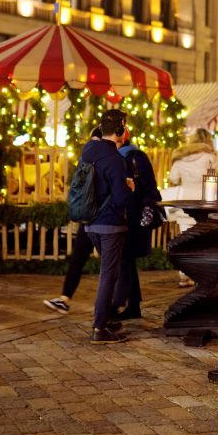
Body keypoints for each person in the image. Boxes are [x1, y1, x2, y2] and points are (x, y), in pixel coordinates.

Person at [82, 109, 134, 344]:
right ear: (121, 129)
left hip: (90, 222)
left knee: (108, 272)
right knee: (108, 275)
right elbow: (121, 197)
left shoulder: (88, 152)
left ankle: (105, 317)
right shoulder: (116, 159)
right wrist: (129, 187)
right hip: (110, 223)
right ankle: (99, 327)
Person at [44, 128, 102, 315]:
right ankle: (64, 298)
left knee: (112, 263)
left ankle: (117, 302)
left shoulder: (108, 159)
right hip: (88, 217)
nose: (92, 145)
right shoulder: (88, 159)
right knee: (78, 258)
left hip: (103, 219)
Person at [114, 132, 160, 322]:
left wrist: (146, 212)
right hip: (122, 216)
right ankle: (132, 305)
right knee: (127, 260)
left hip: (135, 216)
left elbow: (150, 187)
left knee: (125, 259)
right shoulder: (115, 158)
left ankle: (118, 304)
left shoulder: (135, 157)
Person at [168, 128, 218, 200]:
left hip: (186, 197)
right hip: (207, 197)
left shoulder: (180, 156)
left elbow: (174, 179)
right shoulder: (211, 156)